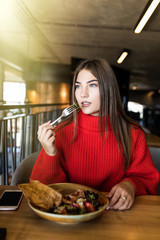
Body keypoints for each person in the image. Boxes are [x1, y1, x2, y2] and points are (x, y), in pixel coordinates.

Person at [30, 58, 159, 211]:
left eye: (92, 85)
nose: (83, 94)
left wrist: (130, 185)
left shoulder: (134, 133)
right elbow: (41, 192)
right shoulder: (60, 131)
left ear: (108, 89)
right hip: (69, 217)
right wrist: (50, 153)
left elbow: (146, 179)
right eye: (78, 86)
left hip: (116, 215)